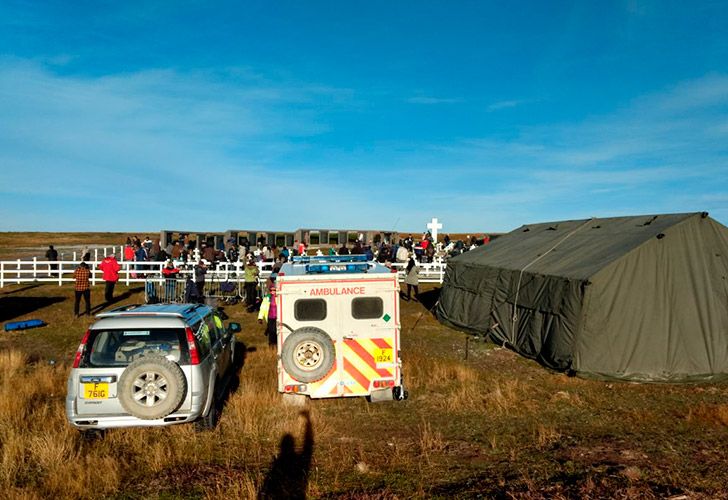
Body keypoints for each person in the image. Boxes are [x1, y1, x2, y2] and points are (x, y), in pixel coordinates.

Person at [258, 275, 278, 346]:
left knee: (276, 331)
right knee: (271, 332)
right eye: (271, 290)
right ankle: (271, 345)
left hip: (277, 318)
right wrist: (260, 317)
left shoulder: (279, 298)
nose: (273, 291)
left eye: (274, 290)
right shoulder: (266, 299)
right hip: (269, 318)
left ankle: (276, 344)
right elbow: (262, 308)